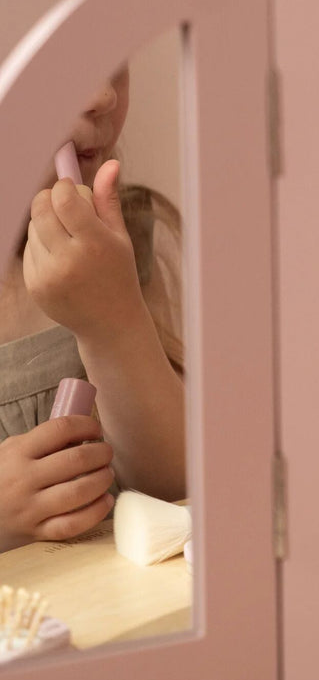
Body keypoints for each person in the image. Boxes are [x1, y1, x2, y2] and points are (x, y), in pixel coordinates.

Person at [0, 66, 185, 552]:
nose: (103, 95)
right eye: (64, 59)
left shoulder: (140, 240)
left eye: (117, 65)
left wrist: (116, 321)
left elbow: (180, 494)